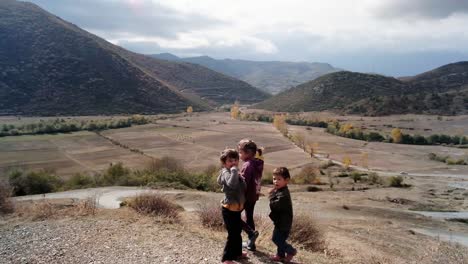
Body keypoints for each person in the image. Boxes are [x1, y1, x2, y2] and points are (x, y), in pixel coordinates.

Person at [217, 149, 248, 264]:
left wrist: (241, 177)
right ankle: (227, 259)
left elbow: (243, 186)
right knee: (232, 234)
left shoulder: (234, 172)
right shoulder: (226, 172)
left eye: (236, 160)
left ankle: (238, 253)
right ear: (224, 163)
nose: (234, 162)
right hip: (229, 208)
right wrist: (235, 172)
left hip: (236, 208)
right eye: (230, 161)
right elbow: (232, 184)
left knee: (238, 231)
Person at [237, 139, 264, 251]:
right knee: (249, 218)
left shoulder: (247, 165)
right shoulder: (258, 162)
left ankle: (250, 233)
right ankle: (251, 244)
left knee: (232, 215)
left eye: (240, 152)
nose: (239, 155)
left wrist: (236, 175)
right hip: (253, 196)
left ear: (247, 153)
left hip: (246, 196)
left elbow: (243, 183)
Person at [269, 167, 297, 263]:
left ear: (286, 180)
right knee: (280, 239)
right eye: (274, 179)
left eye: (279, 179)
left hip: (284, 223)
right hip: (281, 221)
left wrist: (271, 196)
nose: (276, 181)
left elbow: (275, 205)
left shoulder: (283, 194)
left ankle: (291, 251)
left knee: (276, 239)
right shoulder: (280, 190)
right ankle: (280, 255)